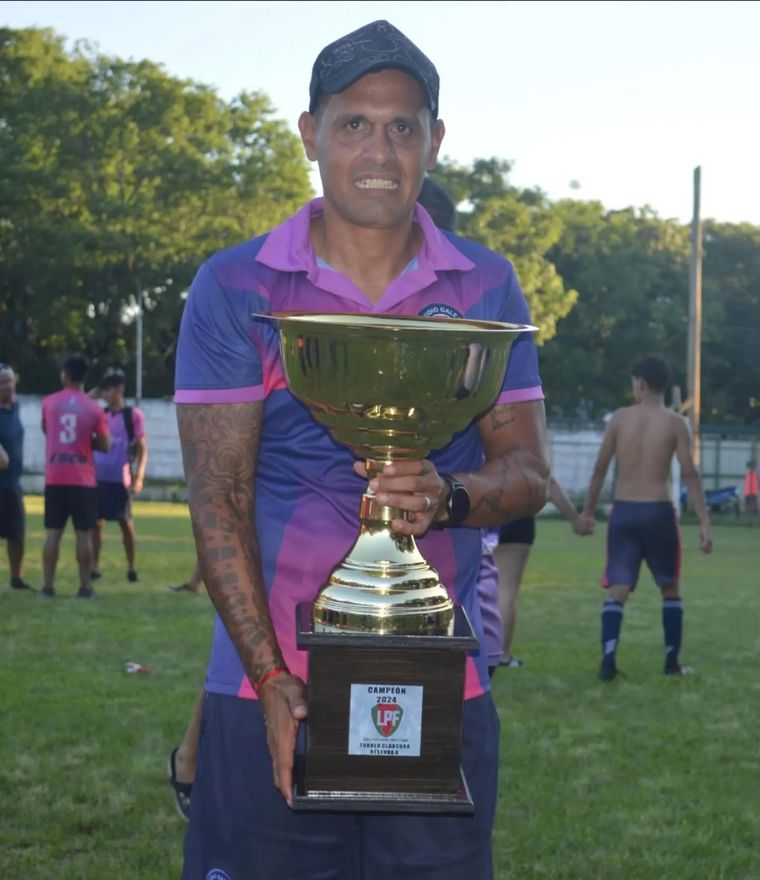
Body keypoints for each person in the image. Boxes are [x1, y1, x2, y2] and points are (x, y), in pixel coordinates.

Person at [174, 19, 550, 879]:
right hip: (266, 685)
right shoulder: (239, 284)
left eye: (403, 126)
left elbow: (527, 471)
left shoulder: (485, 282)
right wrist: (271, 680)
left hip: (441, 680)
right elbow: (219, 497)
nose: (379, 149)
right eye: (353, 124)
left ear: (434, 141)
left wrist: (447, 497)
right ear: (310, 133)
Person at [581, 355, 712, 681]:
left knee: (618, 588)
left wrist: (587, 511)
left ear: (640, 383)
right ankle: (671, 663)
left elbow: (600, 468)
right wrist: (705, 524)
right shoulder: (674, 423)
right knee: (669, 586)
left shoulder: (619, 420)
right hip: (658, 511)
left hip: (624, 512)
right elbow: (690, 473)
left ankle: (607, 660)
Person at [495, 479, 593, 668]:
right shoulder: (528, 449)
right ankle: (501, 656)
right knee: (506, 591)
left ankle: (472, 653)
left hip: (484, 507)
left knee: (473, 587)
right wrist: (575, 519)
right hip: (520, 512)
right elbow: (547, 480)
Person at [41, 354, 110, 598]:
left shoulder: (49, 402)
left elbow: (47, 431)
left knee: (53, 533)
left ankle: (48, 587)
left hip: (55, 476)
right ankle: (85, 586)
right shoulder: (94, 408)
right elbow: (105, 444)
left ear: (66, 375)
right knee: (84, 534)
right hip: (83, 479)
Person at [89, 368, 148, 582]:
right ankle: (93, 567)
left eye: (109, 389)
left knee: (125, 522)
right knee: (96, 523)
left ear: (120, 390)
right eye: (103, 390)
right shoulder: (101, 414)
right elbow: (81, 408)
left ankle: (131, 567)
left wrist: (139, 477)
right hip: (97, 476)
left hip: (120, 478)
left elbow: (142, 447)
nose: (105, 394)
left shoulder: (132, 415)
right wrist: (91, 395)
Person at [0, 363, 32, 590]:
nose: (7, 385)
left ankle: (16, 578)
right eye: (2, 382)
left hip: (12, 482)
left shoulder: (16, 407)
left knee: (17, 534)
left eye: (9, 380)